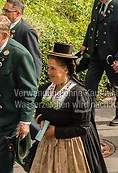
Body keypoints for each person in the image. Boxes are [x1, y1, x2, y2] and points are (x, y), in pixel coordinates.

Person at [31, 42, 107, 173]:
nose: (49, 72)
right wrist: (41, 119)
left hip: (72, 148)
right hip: (47, 146)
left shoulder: (78, 94)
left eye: (53, 68)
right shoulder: (46, 89)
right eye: (48, 68)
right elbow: (38, 110)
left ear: (65, 70)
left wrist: (55, 132)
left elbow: (82, 128)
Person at [81, 0, 118, 126]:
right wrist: (85, 44)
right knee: (89, 85)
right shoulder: (97, 4)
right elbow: (92, 25)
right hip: (96, 54)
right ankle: (88, 117)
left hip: (112, 57)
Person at [0, 15, 37, 173]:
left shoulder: (19, 54)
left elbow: (28, 90)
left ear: (5, 35)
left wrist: (25, 121)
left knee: (4, 165)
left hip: (8, 121)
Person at [2, 0, 42, 81]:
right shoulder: (3, 26)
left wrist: (32, 82)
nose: (3, 13)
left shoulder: (26, 31)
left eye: (7, 11)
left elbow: (35, 60)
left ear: (18, 14)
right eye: (3, 10)